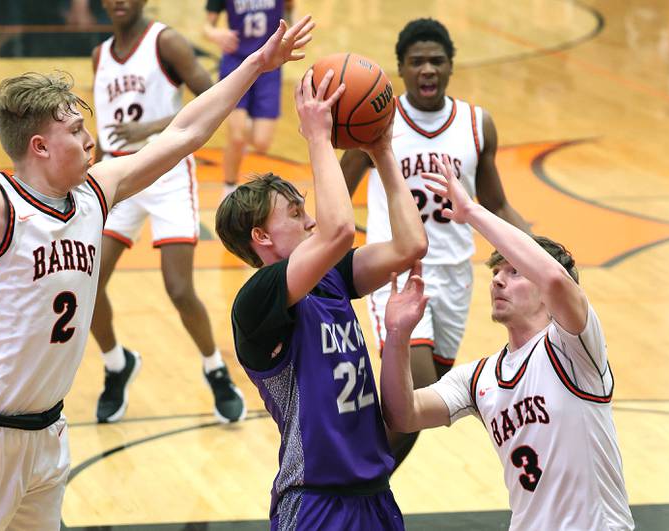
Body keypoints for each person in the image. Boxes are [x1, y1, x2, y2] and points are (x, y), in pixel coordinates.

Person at [0, 16, 313, 530]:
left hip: (47, 434)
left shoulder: (96, 192)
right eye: (76, 131)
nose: (90, 139)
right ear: (39, 146)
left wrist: (257, 64)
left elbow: (186, 132)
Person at [215, 67, 427, 529]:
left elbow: (409, 245)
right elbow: (340, 229)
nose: (310, 221)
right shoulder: (257, 300)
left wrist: (383, 151)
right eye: (296, 213)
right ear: (261, 237)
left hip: (374, 494)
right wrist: (316, 136)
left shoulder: (330, 278)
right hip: (315, 502)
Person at [380, 157, 635, 530]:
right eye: (496, 272)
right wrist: (398, 337)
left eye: (514, 272)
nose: (498, 281)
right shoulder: (479, 377)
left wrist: (472, 212)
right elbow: (405, 415)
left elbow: (556, 280)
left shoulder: (575, 348)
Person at [340, 17, 531, 468]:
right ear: (401, 69)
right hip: (395, 271)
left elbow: (497, 204)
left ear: (450, 66)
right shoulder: (374, 120)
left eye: (437, 61)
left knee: (416, 407)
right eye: (417, 61)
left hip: (454, 275)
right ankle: (351, 492)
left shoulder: (476, 124)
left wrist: (541, 251)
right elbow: (336, 198)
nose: (427, 69)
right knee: (418, 394)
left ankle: (356, 478)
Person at [91, 0, 244, 424]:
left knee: (178, 289)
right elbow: (105, 125)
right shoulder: (100, 54)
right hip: (117, 177)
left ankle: (216, 370)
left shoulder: (166, 41)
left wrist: (151, 127)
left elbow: (213, 99)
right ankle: (116, 364)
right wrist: (94, 179)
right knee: (86, 283)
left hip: (166, 172)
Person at [204, 0, 293, 194]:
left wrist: (289, 29)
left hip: (270, 65)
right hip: (235, 62)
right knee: (236, 138)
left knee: (262, 143)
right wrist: (214, 33)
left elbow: (290, 9)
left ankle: (246, 125)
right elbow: (206, 28)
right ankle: (228, 190)